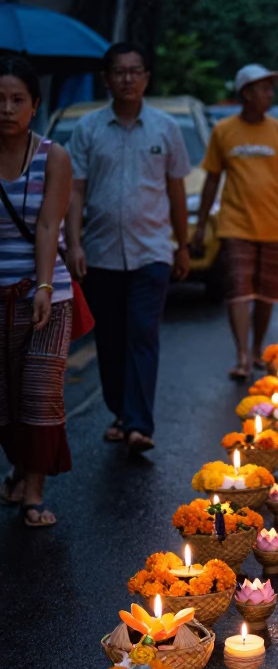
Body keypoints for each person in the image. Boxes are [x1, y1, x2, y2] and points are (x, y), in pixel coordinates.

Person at [66, 42, 190, 455]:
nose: (128, 79)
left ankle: (139, 423)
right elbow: (76, 189)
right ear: (107, 79)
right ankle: (120, 412)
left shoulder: (165, 129)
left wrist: (182, 245)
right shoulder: (88, 130)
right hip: (101, 251)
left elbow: (175, 188)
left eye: (135, 71)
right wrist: (75, 243)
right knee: (111, 339)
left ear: (146, 78)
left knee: (143, 333)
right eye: (119, 72)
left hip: (151, 251)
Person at [193, 65, 278, 380]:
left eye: (271, 89)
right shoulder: (224, 131)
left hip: (271, 224)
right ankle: (242, 355)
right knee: (239, 291)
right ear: (246, 93)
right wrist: (202, 225)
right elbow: (212, 179)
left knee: (267, 294)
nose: (269, 94)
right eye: (263, 89)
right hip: (234, 224)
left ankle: (257, 347)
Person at [0, 57, 73, 526]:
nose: (6, 108)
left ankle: (33, 494)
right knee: (6, 400)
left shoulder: (54, 157)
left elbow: (49, 225)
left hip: (49, 295)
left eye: (17, 100)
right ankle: (20, 471)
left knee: (40, 392)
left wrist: (44, 285)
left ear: (35, 106)